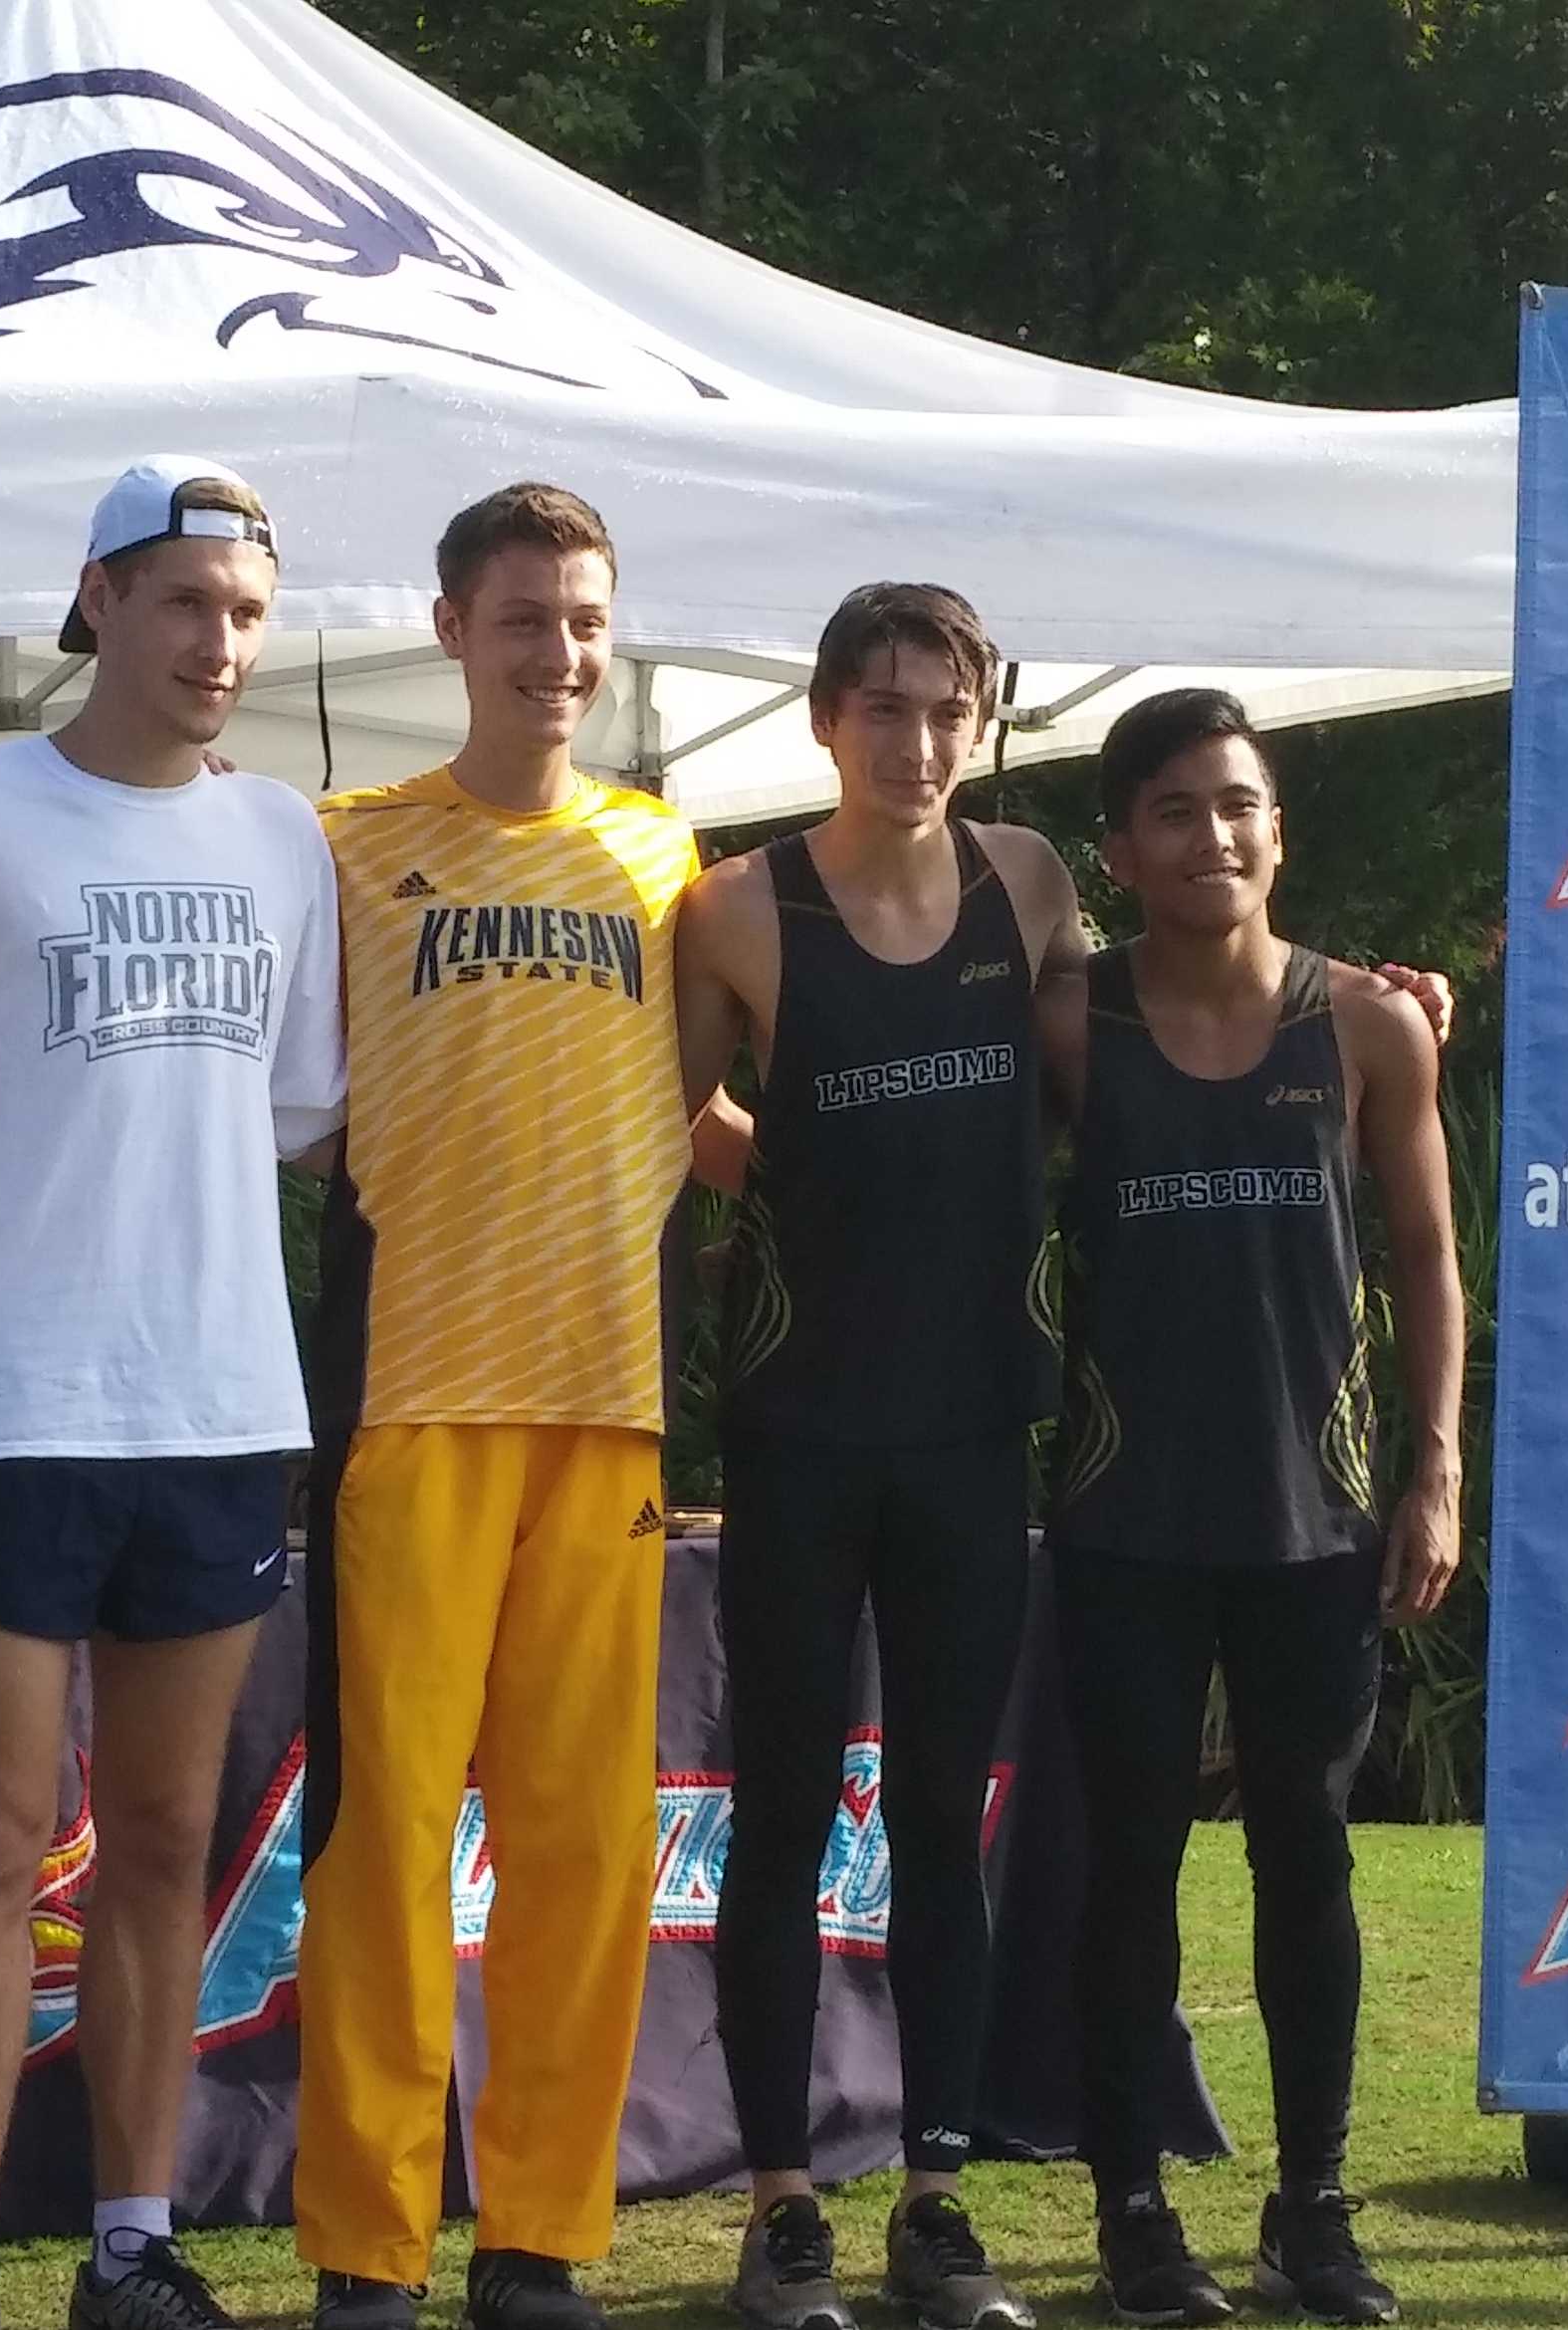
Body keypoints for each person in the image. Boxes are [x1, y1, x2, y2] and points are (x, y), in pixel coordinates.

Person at [0, 461, 344, 2330]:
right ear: (97, 604)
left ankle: (131, 2241)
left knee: (161, 1850)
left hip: (219, 1403)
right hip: (10, 1402)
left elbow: (303, 1111)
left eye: (244, 611)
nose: (218, 643)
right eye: (184, 603)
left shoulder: (282, 836)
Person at [296, 481, 699, 2330]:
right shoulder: (346, 844)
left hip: (608, 1403)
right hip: (417, 1398)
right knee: (388, 1845)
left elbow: (749, 1085)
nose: (560, 652)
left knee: (582, 1848)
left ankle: (538, 2232)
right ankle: (368, 2246)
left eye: (586, 619)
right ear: (451, 628)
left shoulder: (673, 863)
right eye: (524, 617)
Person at [671, 583, 1083, 2330]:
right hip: (798, 1433)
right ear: (825, 720)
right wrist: (804, 1185)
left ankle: (935, 2196)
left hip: (978, 1425)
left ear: (982, 724)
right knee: (776, 1817)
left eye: (949, 711)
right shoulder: (736, 911)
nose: (918, 743)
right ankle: (780, 2209)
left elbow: (1106, 1084)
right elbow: (669, 1134)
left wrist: (1360, 1011)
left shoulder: (1033, 884)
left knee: (938, 1815)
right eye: (885, 708)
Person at [1051, 689, 1464, 2327]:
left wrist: (1432, 1470)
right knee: (1130, 1868)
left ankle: (1312, 2203)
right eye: (1173, 810)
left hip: (1317, 1518)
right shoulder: (1070, 1026)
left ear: (1279, 830)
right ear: (1121, 849)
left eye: (1238, 805)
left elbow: (1427, 1263)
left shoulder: (1369, 1027)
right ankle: (1135, 2216)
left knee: (1308, 1863)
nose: (1211, 837)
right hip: (1122, 1516)